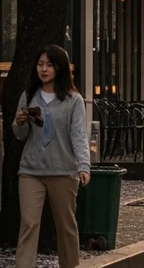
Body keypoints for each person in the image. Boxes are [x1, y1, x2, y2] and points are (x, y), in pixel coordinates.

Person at [12, 45, 89, 268]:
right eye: (40, 64)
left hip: (64, 171)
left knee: (66, 226)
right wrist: (19, 123)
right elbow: (20, 135)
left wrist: (83, 166)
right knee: (29, 223)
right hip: (31, 171)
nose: (44, 69)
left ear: (60, 68)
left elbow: (79, 135)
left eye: (49, 65)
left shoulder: (73, 100)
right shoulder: (28, 96)